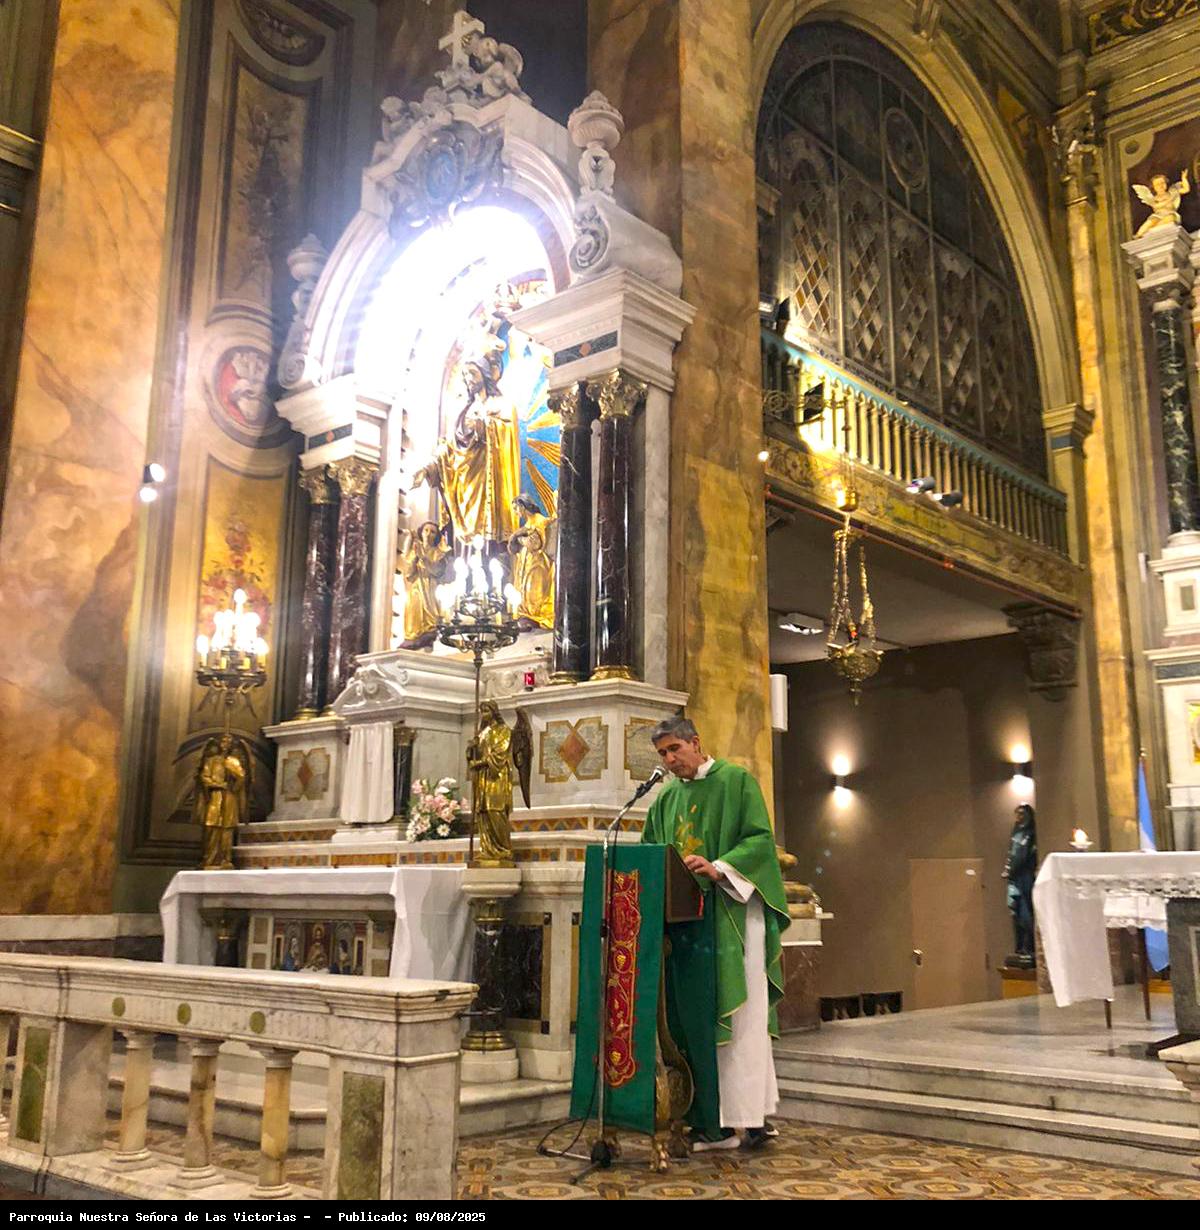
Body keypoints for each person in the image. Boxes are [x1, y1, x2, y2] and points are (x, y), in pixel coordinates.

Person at [642, 715, 789, 1150]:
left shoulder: (736, 782)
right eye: (663, 754)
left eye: (675, 749)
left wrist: (719, 867)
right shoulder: (666, 798)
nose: (670, 760)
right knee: (693, 1026)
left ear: (695, 742)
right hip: (687, 929)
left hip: (732, 919)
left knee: (741, 1021)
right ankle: (715, 1119)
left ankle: (745, 1118)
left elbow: (759, 842)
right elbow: (651, 853)